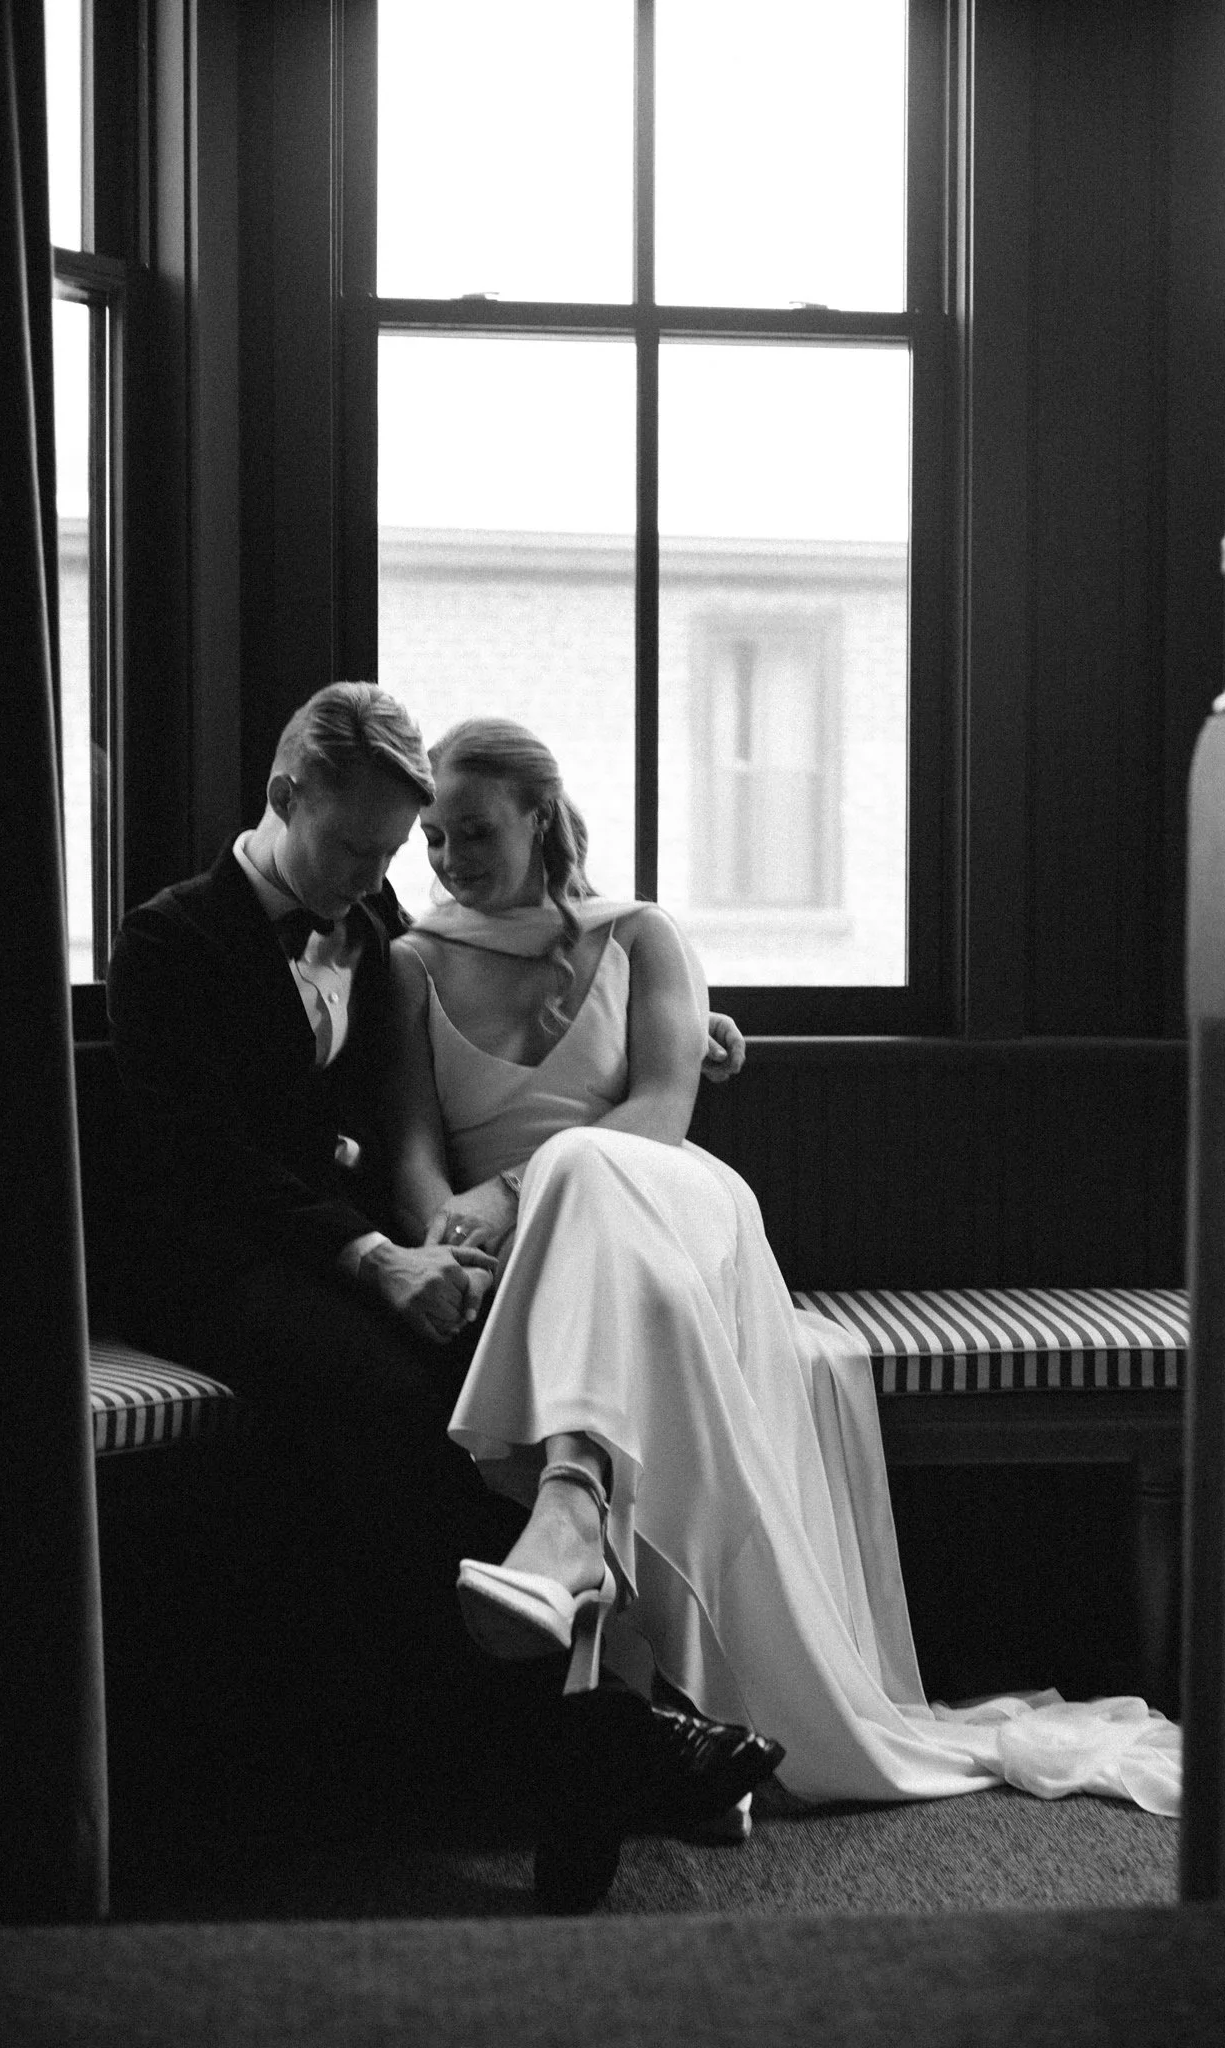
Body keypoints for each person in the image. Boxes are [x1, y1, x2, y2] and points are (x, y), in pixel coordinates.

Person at [381, 716, 1184, 1898]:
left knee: (584, 1165)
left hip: (670, 1204)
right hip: (541, 1258)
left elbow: (661, 1109)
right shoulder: (411, 962)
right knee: (607, 1262)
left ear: (540, 819)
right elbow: (410, 1151)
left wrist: (515, 1193)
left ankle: (568, 1520)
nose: (451, 859)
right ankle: (668, 1717)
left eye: (476, 832)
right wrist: (453, 1242)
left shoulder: (641, 934)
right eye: (436, 839)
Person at [105, 682, 779, 1851]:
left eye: (391, 853)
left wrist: (690, 1033)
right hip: (219, 1264)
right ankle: (603, 1743)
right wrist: (378, 1257)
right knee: (399, 1402)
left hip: (357, 1256)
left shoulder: (368, 925)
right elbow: (200, 1159)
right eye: (360, 847)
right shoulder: (169, 937)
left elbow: (477, 1011)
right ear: (284, 796)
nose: (381, 875)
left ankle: (579, 1727)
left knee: (519, 1382)